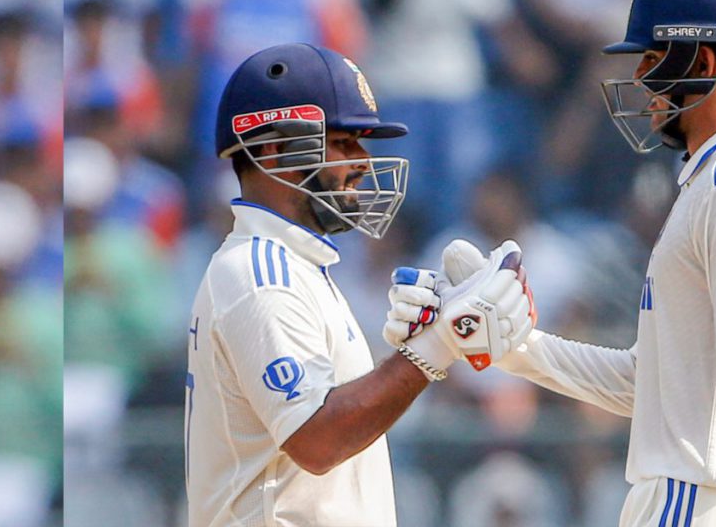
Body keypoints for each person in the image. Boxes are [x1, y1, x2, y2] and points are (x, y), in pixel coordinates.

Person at [388, 0, 716, 525]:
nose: (640, 80)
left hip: (711, 502)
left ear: (705, 60)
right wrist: (514, 347)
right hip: (700, 495)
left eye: (651, 59)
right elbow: (652, 383)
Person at [184, 43, 534, 526]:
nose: (364, 161)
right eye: (344, 141)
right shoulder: (259, 273)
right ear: (270, 149)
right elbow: (317, 440)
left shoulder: (294, 266)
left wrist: (422, 342)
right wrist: (436, 345)